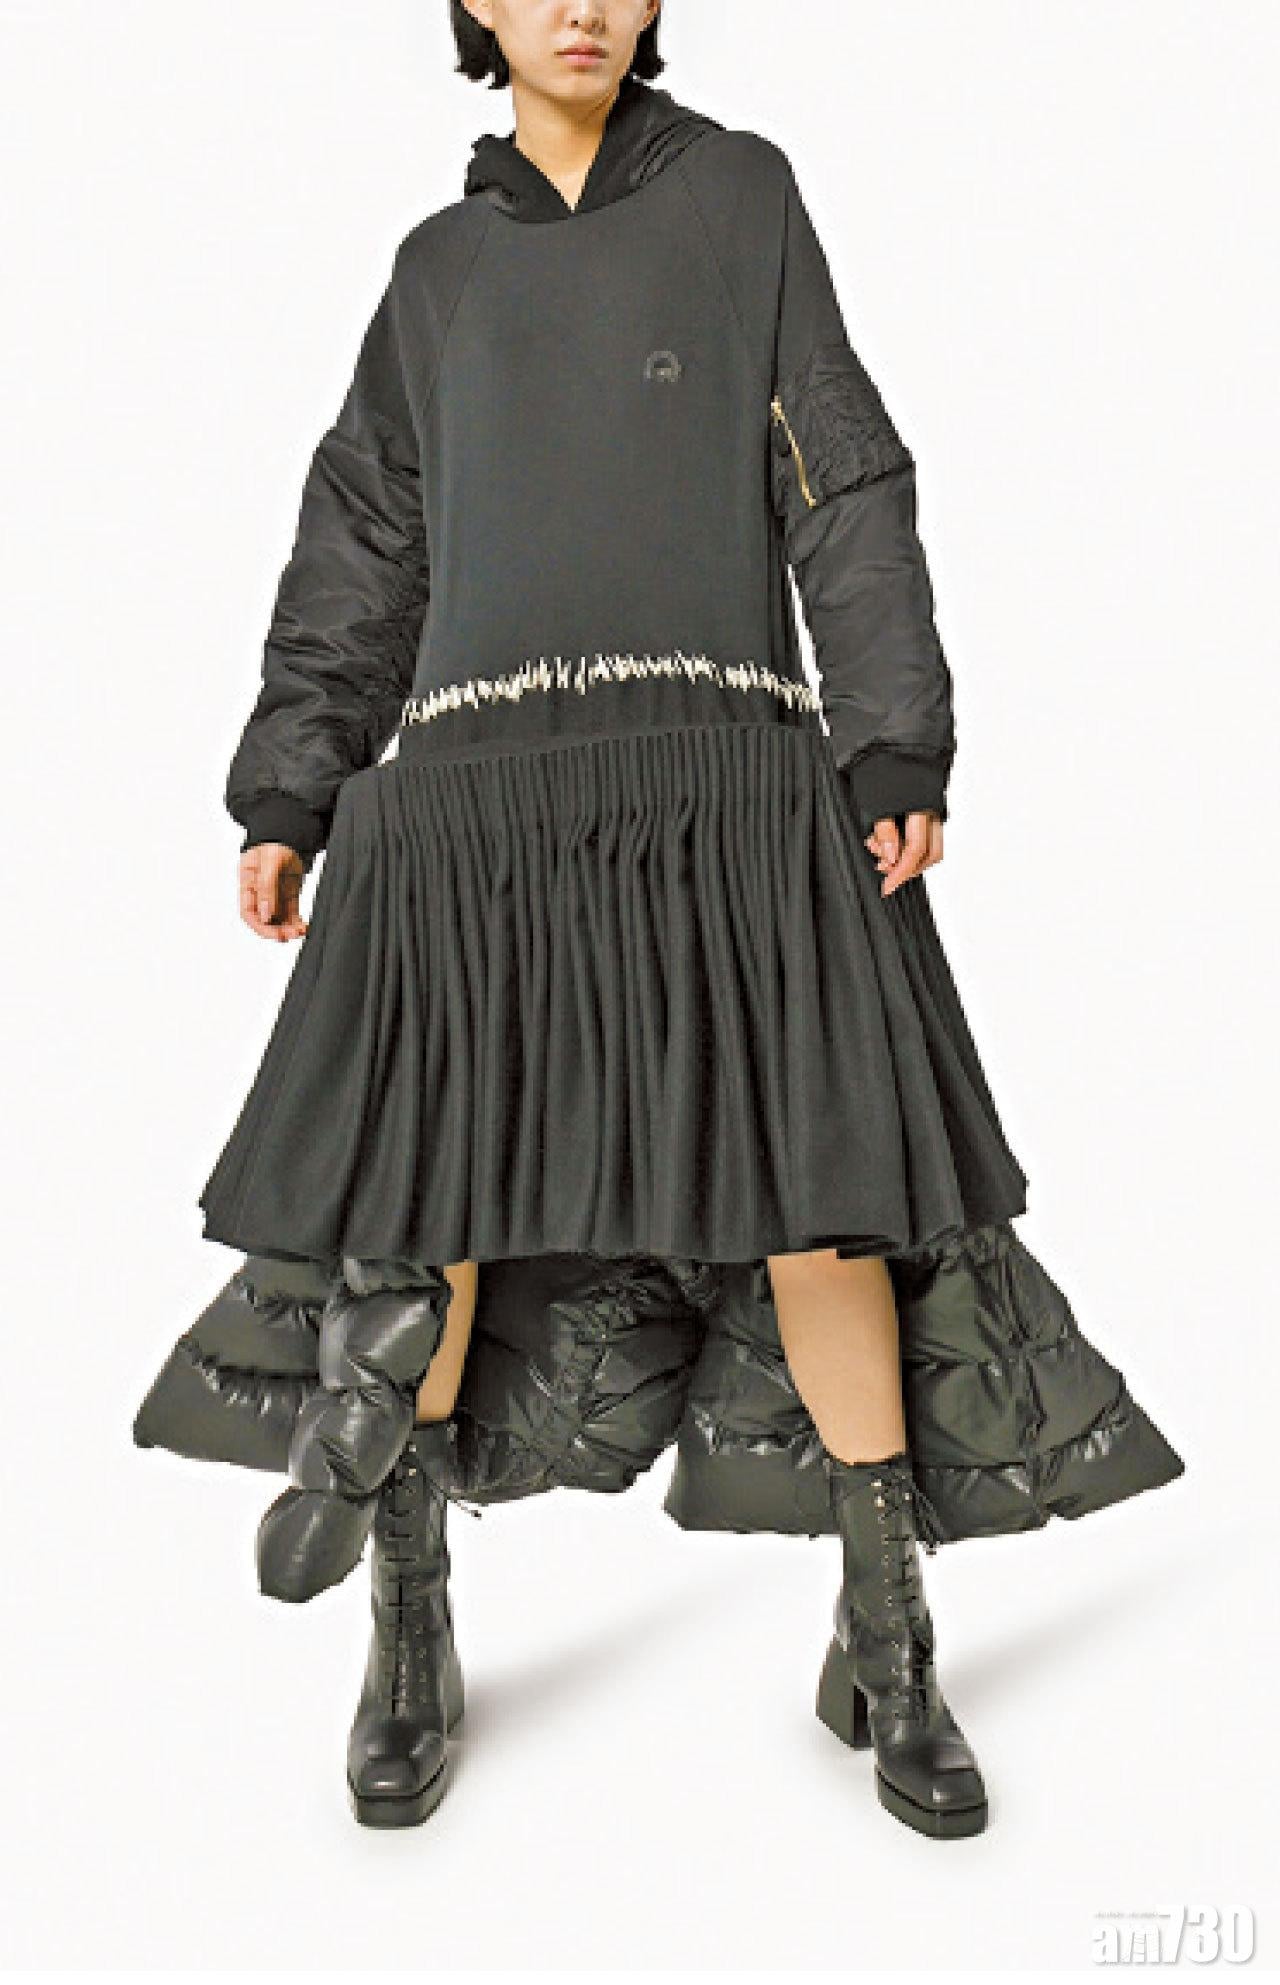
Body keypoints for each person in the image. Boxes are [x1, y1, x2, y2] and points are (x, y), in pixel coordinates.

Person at [139, 0, 1183, 1839]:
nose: (582, 4)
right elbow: (365, 543)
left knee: (823, 1208)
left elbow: (841, 470)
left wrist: (892, 735)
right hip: (479, 817)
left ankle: (891, 1639)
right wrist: (292, 784)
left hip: (727, 791)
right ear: (472, 5)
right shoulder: (436, 272)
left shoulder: (740, 199)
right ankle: (407, 1627)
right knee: (434, 1220)